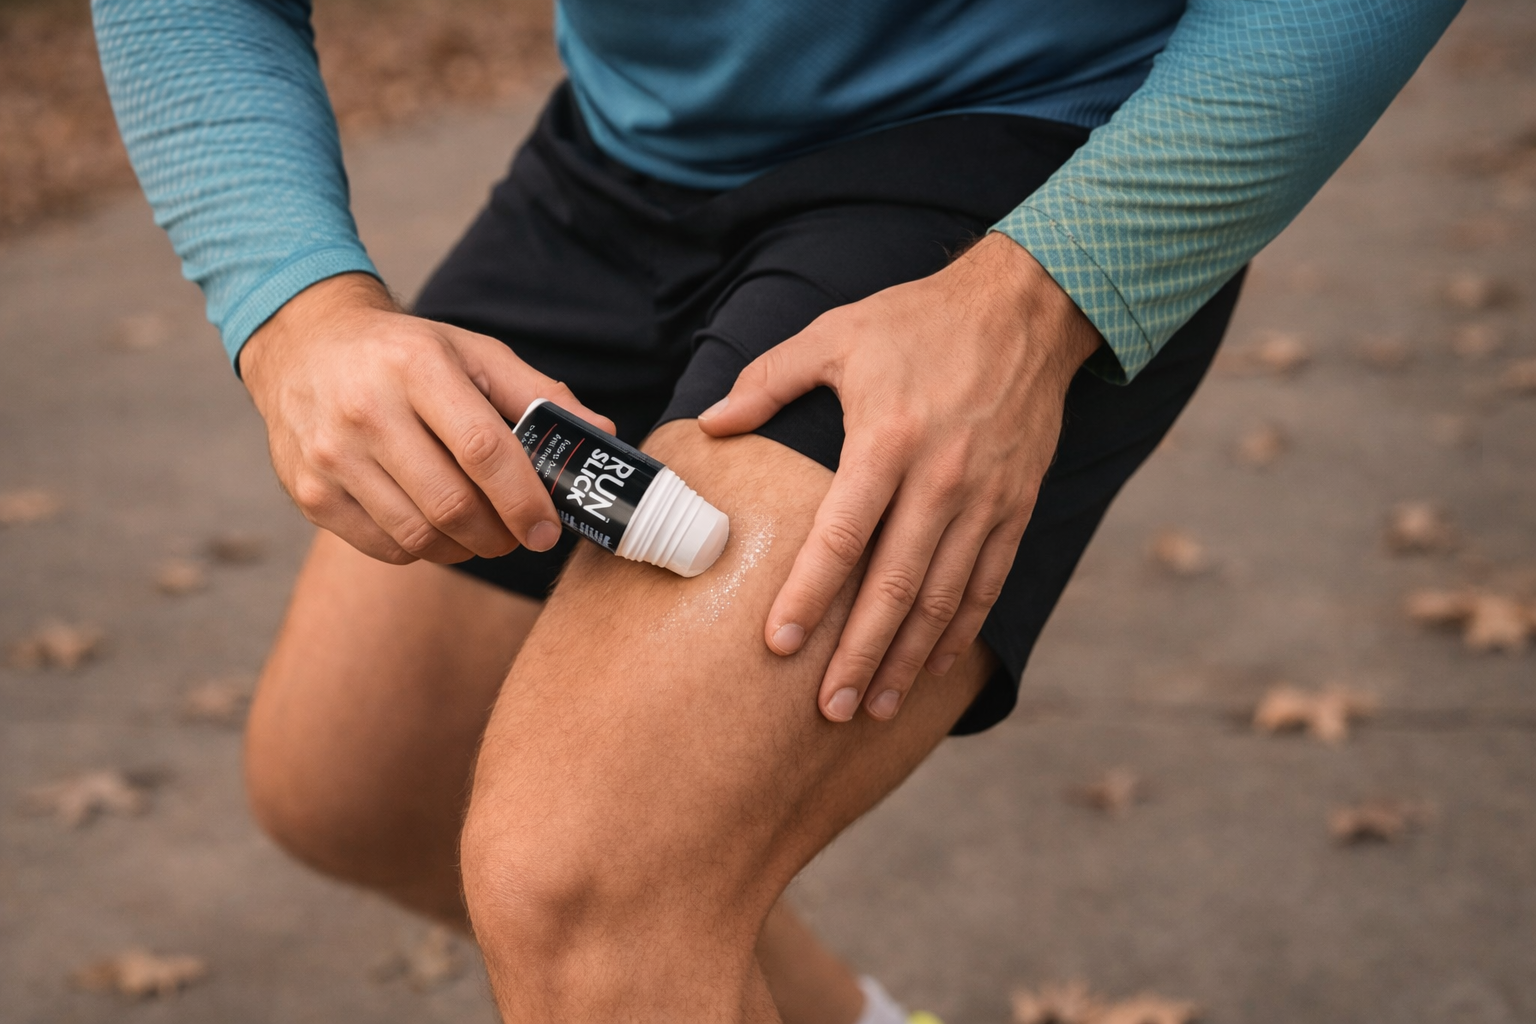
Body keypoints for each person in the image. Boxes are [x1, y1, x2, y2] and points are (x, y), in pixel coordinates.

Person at [93, 0, 1462, 1020]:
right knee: (354, 785)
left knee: (583, 882)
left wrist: (1048, 294)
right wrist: (295, 309)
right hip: (626, 151)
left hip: (1021, 154)